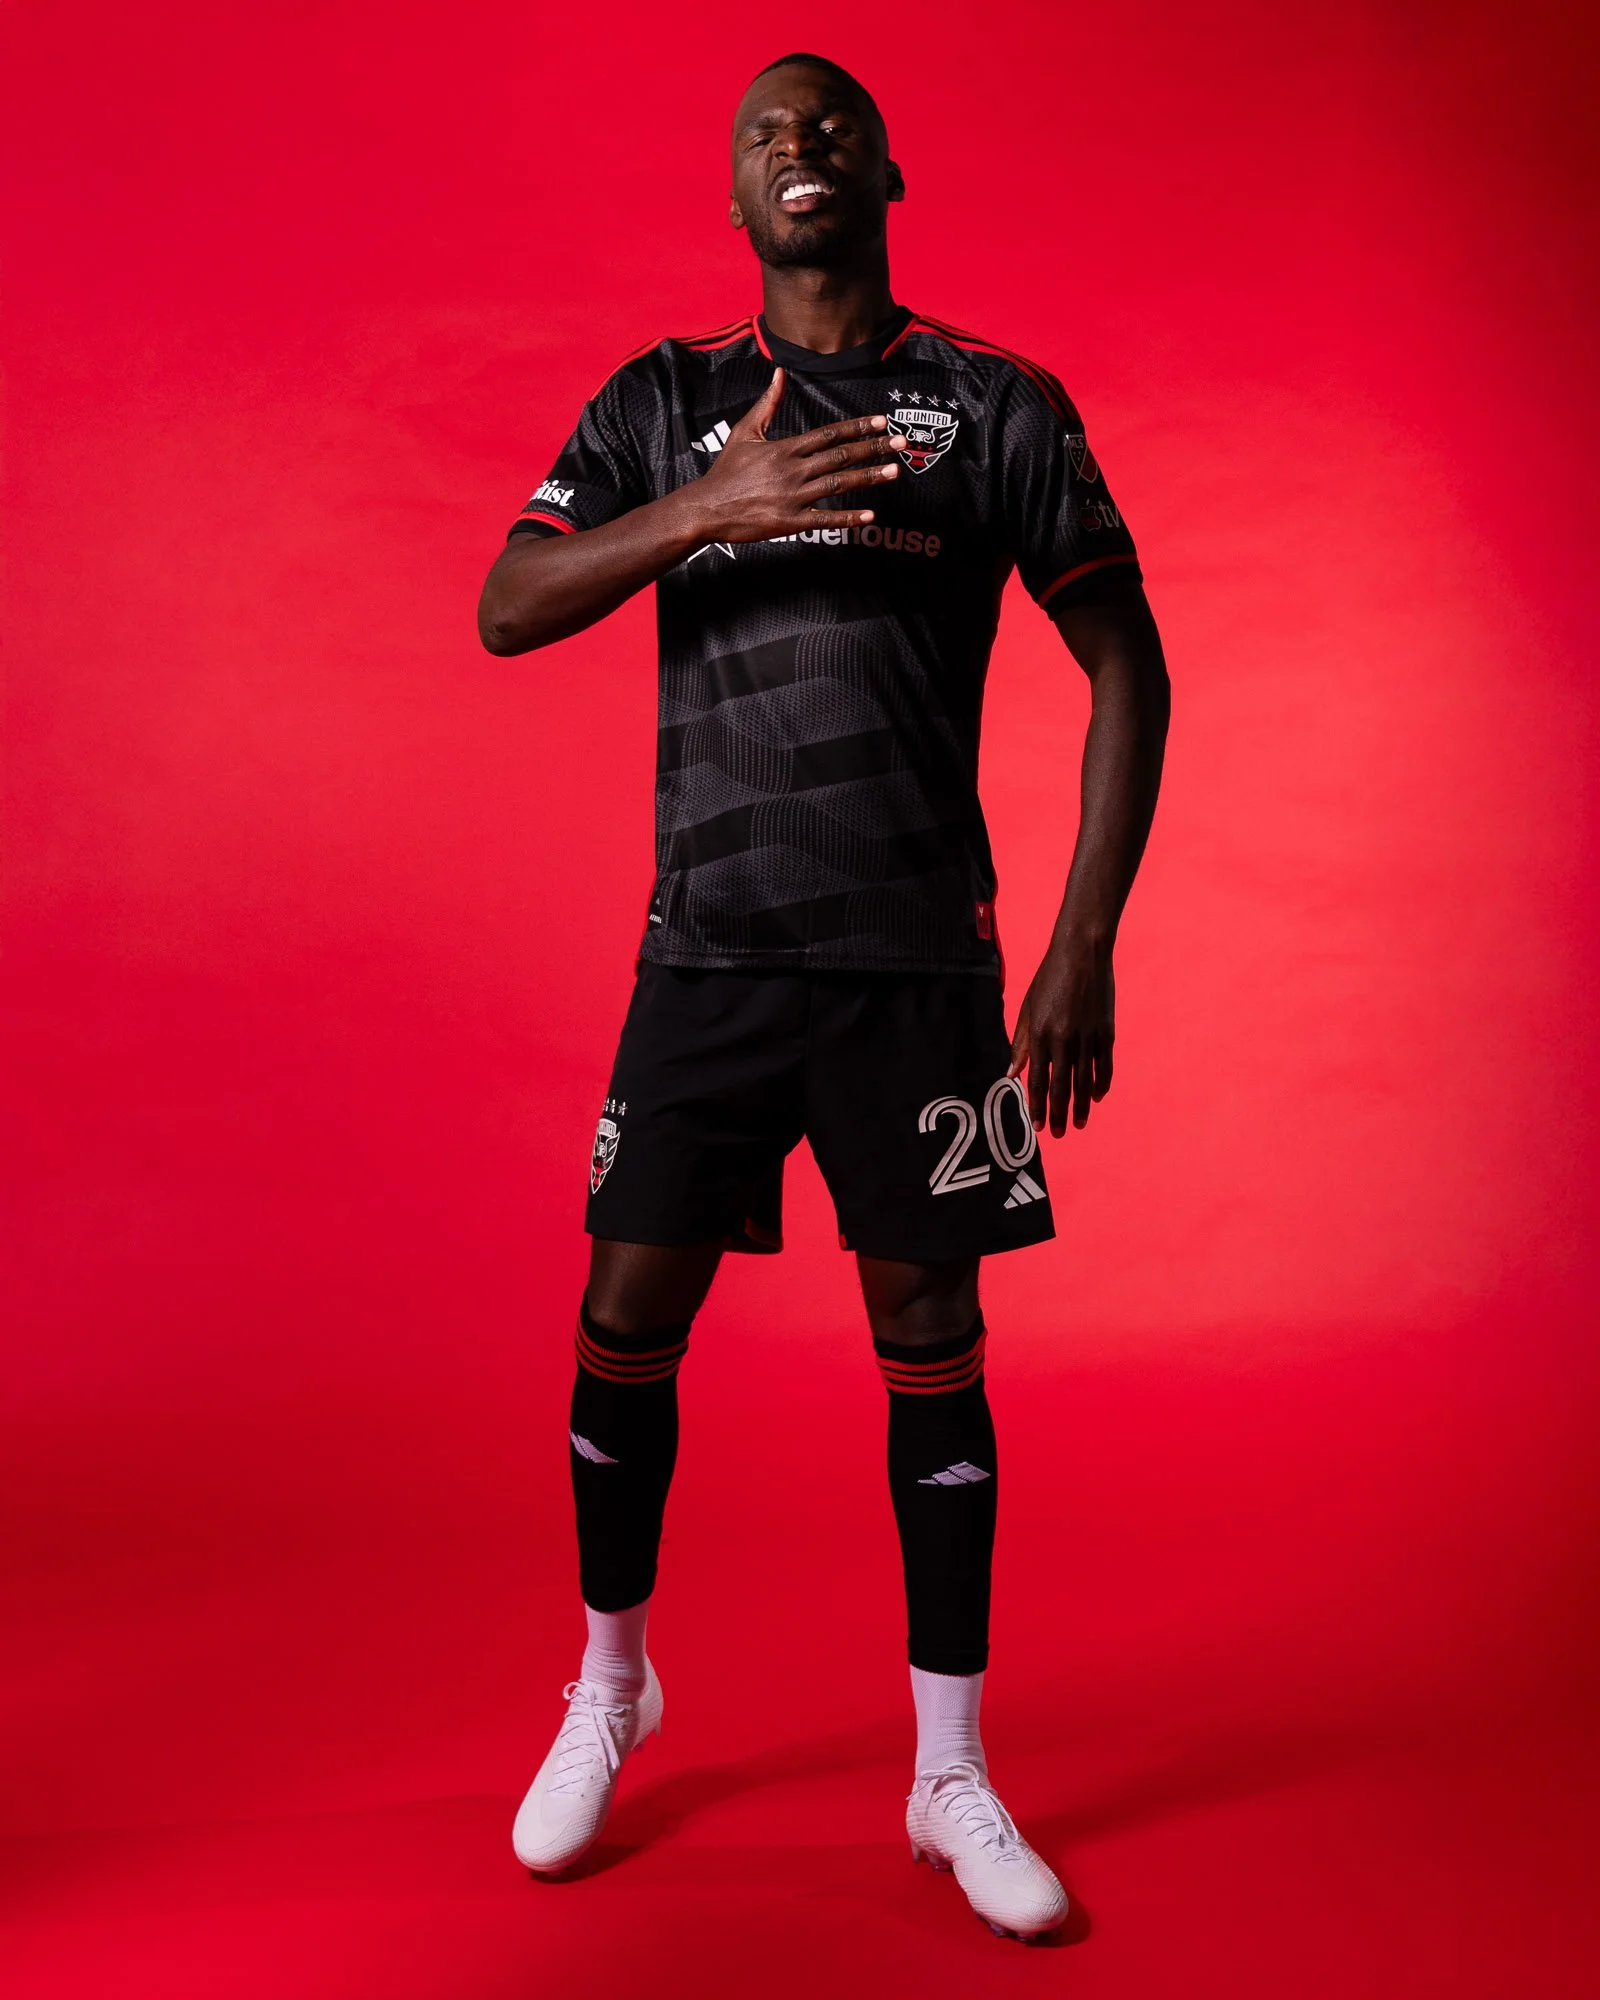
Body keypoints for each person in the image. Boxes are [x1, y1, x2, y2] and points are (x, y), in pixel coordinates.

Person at [477, 51, 1169, 1941]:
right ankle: (611, 1685)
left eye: (830, 123)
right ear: (732, 196)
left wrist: (1085, 933)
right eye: (763, 133)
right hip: (707, 946)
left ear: (887, 167)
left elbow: (1133, 665)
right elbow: (508, 603)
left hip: (913, 960)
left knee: (929, 1326)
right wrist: (714, 505)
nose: (799, 146)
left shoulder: (995, 407)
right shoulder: (669, 399)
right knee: (628, 1305)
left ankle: (949, 1774)